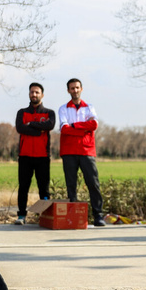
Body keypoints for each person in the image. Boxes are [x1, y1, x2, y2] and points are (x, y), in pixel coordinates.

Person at [58, 78, 105, 227]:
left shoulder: (89, 107)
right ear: (68, 91)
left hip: (87, 150)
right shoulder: (63, 108)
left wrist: (74, 126)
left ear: (81, 89)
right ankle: (73, 216)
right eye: (72, 88)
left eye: (77, 87)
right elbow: (64, 129)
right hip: (69, 151)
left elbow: (94, 125)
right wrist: (83, 129)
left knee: (93, 183)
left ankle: (98, 215)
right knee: (71, 185)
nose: (75, 90)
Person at [14, 82, 56, 225]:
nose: (34, 94)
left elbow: (50, 125)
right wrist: (39, 130)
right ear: (29, 94)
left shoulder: (49, 113)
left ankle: (44, 216)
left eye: (37, 92)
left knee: (43, 189)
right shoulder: (22, 112)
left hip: (43, 157)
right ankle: (21, 215)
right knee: (23, 187)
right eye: (32, 92)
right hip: (25, 156)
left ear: (42, 95)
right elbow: (20, 128)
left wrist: (30, 124)